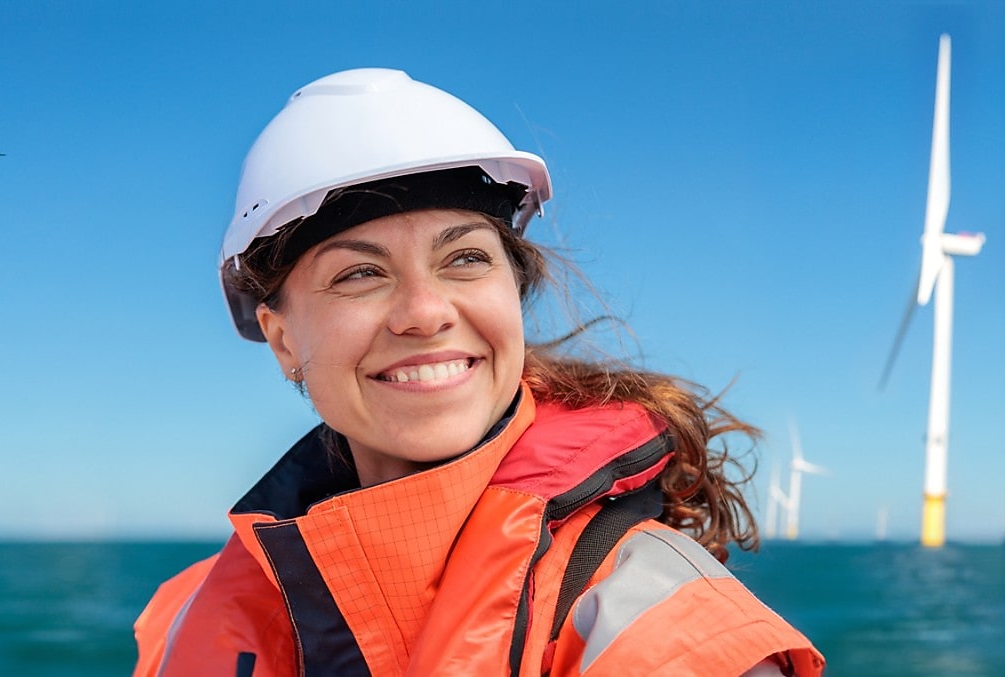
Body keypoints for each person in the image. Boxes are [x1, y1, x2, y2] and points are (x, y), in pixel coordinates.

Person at [133, 68, 825, 676]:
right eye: (360, 273)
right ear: (281, 338)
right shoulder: (186, 613)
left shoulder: (647, 619)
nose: (425, 312)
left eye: (464, 258)